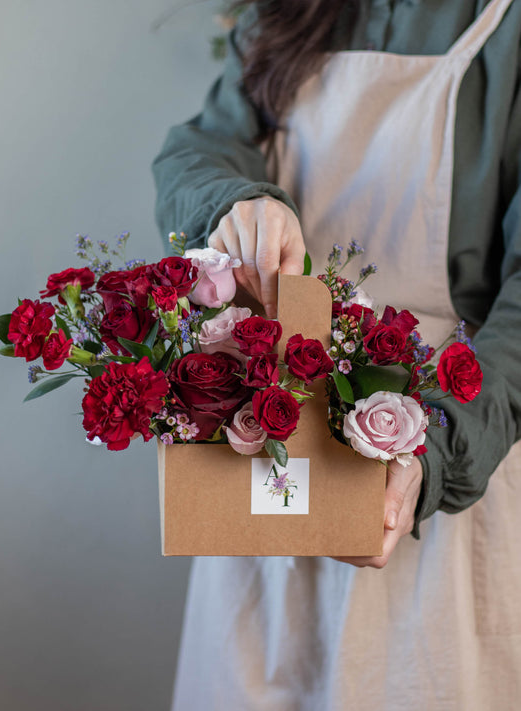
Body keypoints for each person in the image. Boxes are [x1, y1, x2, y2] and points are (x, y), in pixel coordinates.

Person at [152, 1, 521, 708]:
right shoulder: (292, 11)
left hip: (439, 477)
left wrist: (434, 455)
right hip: (266, 455)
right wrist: (236, 201)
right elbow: (198, 146)